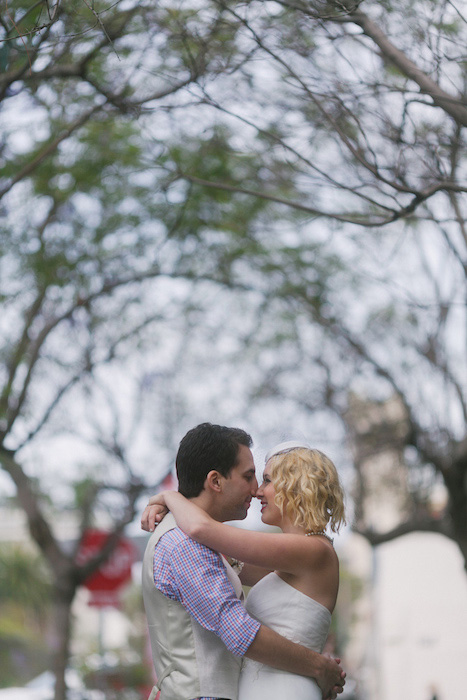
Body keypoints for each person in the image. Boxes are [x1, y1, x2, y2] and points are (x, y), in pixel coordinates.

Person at [141, 424, 346, 700]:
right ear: (215, 481)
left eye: (266, 480)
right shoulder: (187, 543)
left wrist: (170, 497)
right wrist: (319, 666)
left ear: (295, 487)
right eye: (251, 477)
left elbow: (204, 531)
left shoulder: (311, 551)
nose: (257, 491)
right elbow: (221, 554)